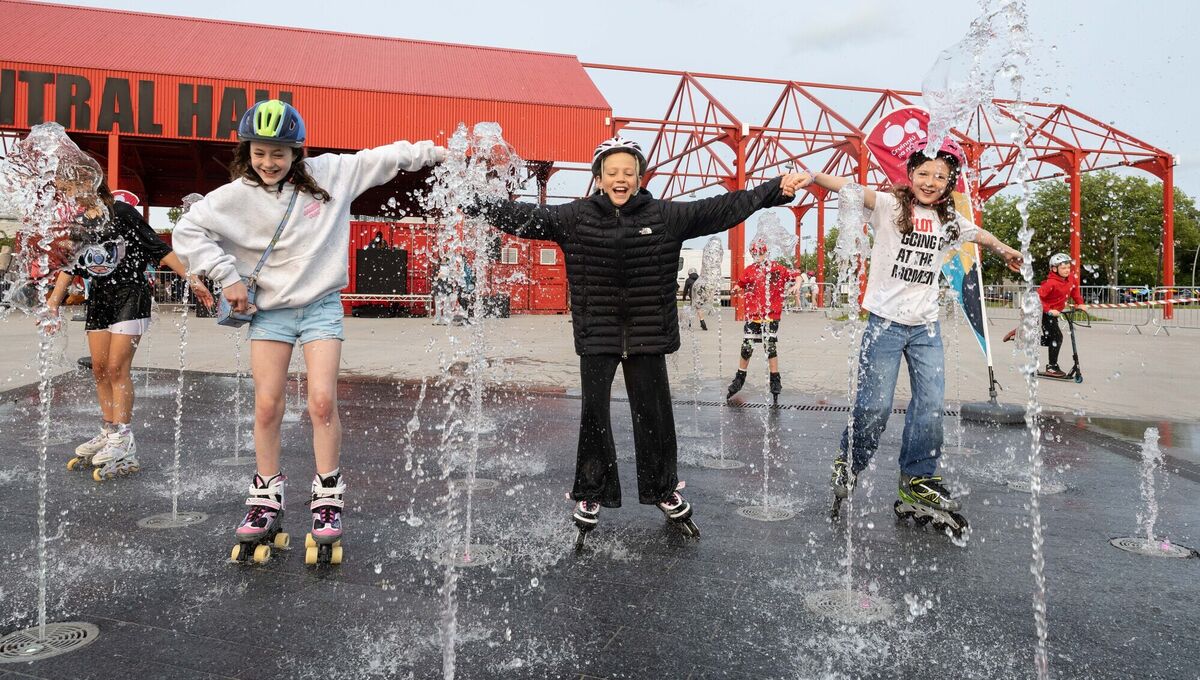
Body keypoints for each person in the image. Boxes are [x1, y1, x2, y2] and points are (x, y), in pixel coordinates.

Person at [468, 136, 808, 544]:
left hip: (648, 334)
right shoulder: (575, 217)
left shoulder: (665, 216)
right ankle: (591, 493)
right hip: (598, 332)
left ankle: (663, 490)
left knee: (655, 416)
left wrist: (774, 191)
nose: (620, 179)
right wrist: (473, 200)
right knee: (594, 416)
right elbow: (521, 216)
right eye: (612, 172)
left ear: (640, 177)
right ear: (598, 178)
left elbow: (720, 209)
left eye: (628, 172)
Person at [172, 99, 444, 563]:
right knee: (267, 405)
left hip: (320, 307)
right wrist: (227, 275)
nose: (269, 162)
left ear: (298, 151)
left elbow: (385, 157)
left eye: (279, 153)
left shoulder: (332, 175)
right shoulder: (233, 196)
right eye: (260, 152)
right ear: (247, 151)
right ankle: (265, 496)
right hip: (270, 313)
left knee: (321, 402)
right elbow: (188, 230)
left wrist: (439, 153)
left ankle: (327, 495)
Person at [799, 138, 1023, 533]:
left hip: (925, 327)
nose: (931, 181)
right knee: (875, 408)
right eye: (924, 173)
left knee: (931, 404)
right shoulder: (890, 206)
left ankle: (917, 479)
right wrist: (813, 176)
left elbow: (979, 236)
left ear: (950, 181)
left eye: (941, 175)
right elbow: (851, 189)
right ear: (910, 175)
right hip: (884, 324)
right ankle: (849, 460)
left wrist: (1006, 251)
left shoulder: (950, 221)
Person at [45, 174, 213, 480]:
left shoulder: (122, 213)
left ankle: (123, 437)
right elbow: (69, 267)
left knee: (116, 367)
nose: (66, 195)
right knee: (98, 368)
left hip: (130, 295)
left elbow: (160, 250)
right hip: (100, 299)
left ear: (87, 183)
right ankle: (109, 430)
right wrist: (53, 305)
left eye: (67, 188)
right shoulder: (80, 224)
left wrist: (193, 280)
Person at [726, 239, 796, 402]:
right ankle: (739, 378)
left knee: (769, 346)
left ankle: (775, 380)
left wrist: (796, 285)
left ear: (766, 253)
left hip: (771, 315)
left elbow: (796, 275)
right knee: (747, 347)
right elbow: (741, 283)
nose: (757, 256)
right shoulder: (749, 270)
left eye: (759, 253)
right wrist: (735, 289)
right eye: (754, 254)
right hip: (753, 315)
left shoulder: (776, 268)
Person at [1002, 252, 1087, 378]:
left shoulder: (1071, 279)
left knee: (1050, 339)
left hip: (1053, 314)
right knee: (1057, 338)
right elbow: (1037, 299)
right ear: (1054, 268)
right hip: (1042, 313)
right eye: (1063, 268)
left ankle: (1022, 337)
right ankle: (1052, 367)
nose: (1067, 270)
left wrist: (1080, 303)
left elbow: (1075, 292)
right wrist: (1048, 310)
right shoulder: (1050, 283)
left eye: (1068, 267)